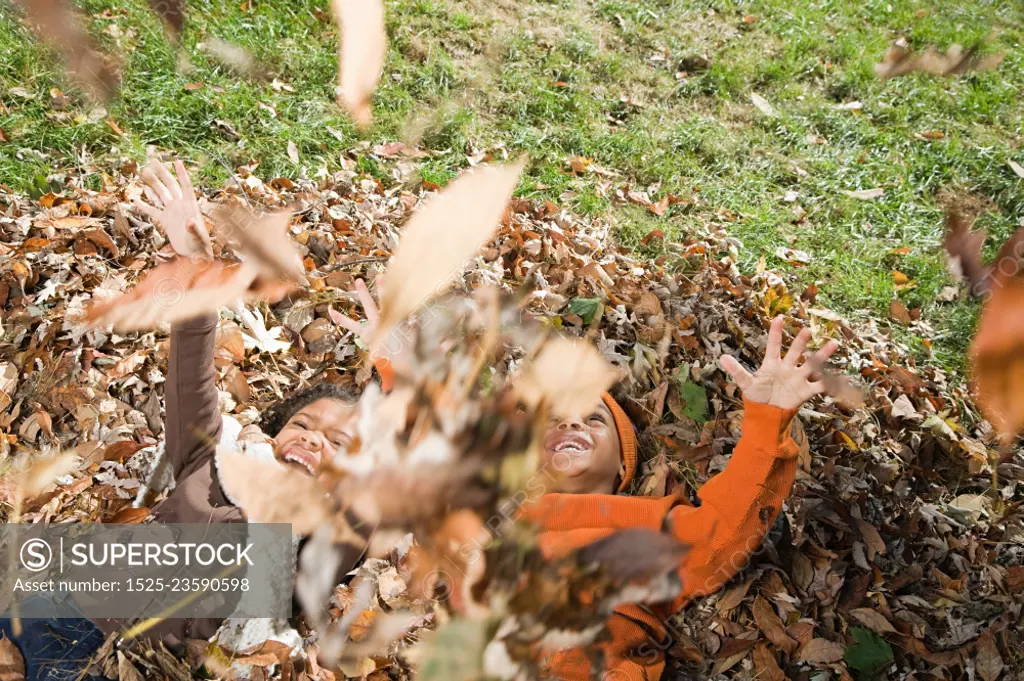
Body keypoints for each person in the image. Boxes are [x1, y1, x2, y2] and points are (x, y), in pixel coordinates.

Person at [519, 315, 837, 681]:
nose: (571, 423)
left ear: (624, 463)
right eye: (555, 419)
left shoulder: (640, 521)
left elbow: (717, 535)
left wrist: (767, 422)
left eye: (594, 419)